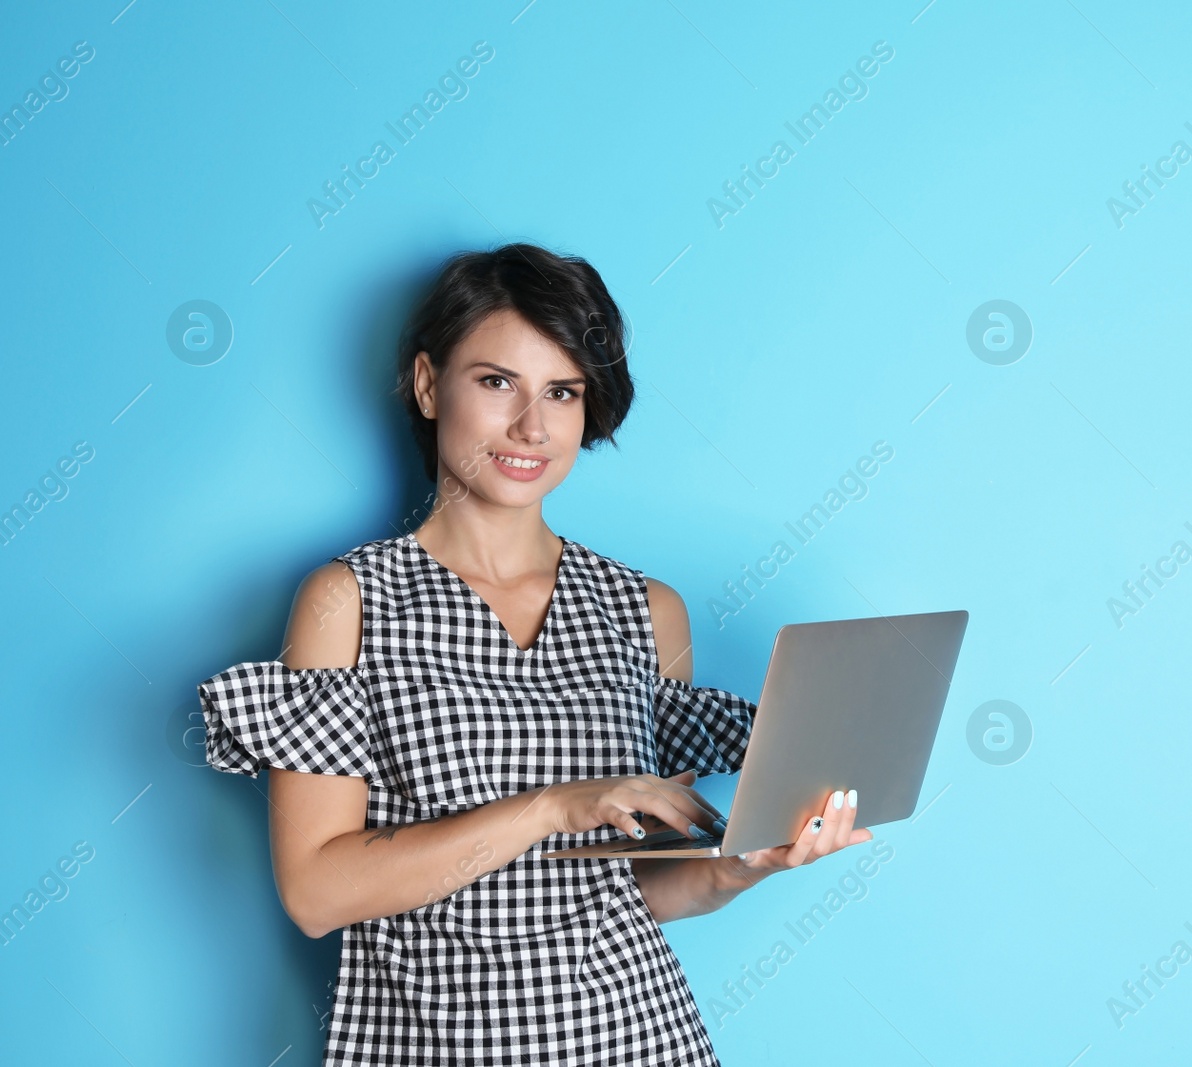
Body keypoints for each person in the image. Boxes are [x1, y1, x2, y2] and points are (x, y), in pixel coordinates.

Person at [196, 242, 872, 1065]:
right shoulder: (350, 600)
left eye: (562, 391)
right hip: (428, 1044)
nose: (532, 426)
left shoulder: (645, 609)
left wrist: (741, 868)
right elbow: (318, 891)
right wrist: (554, 804)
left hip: (635, 1036)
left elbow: (636, 888)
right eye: (495, 382)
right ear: (424, 383)